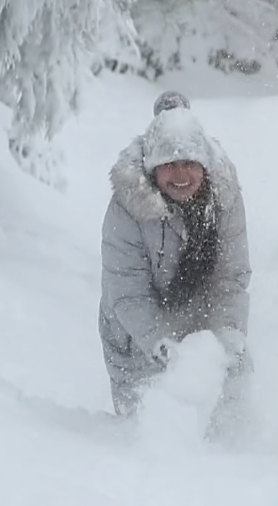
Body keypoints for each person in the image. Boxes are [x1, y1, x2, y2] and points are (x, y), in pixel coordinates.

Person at [98, 91, 253, 432]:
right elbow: (126, 292)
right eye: (169, 164)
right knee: (148, 434)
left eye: (189, 163)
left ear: (204, 166)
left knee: (227, 425)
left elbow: (231, 279)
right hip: (135, 336)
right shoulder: (127, 207)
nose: (180, 175)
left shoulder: (224, 198)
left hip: (202, 320)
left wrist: (226, 339)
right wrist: (166, 349)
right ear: (153, 169)